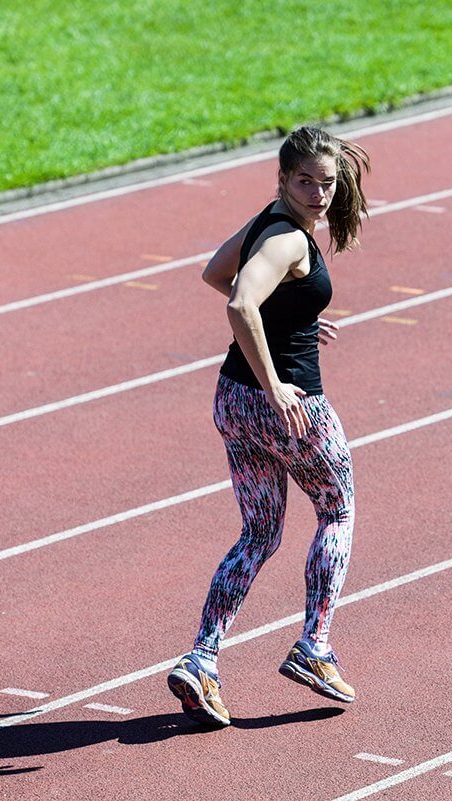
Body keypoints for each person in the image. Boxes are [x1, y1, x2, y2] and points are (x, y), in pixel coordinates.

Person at [167, 126, 371, 727]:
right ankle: (315, 645)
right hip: (287, 408)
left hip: (233, 401)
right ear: (282, 178)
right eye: (305, 181)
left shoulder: (267, 221)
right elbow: (237, 304)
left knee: (259, 534)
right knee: (338, 510)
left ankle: (202, 659)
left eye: (326, 182)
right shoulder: (288, 241)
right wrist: (277, 380)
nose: (317, 193)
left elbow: (215, 273)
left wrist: (293, 320)